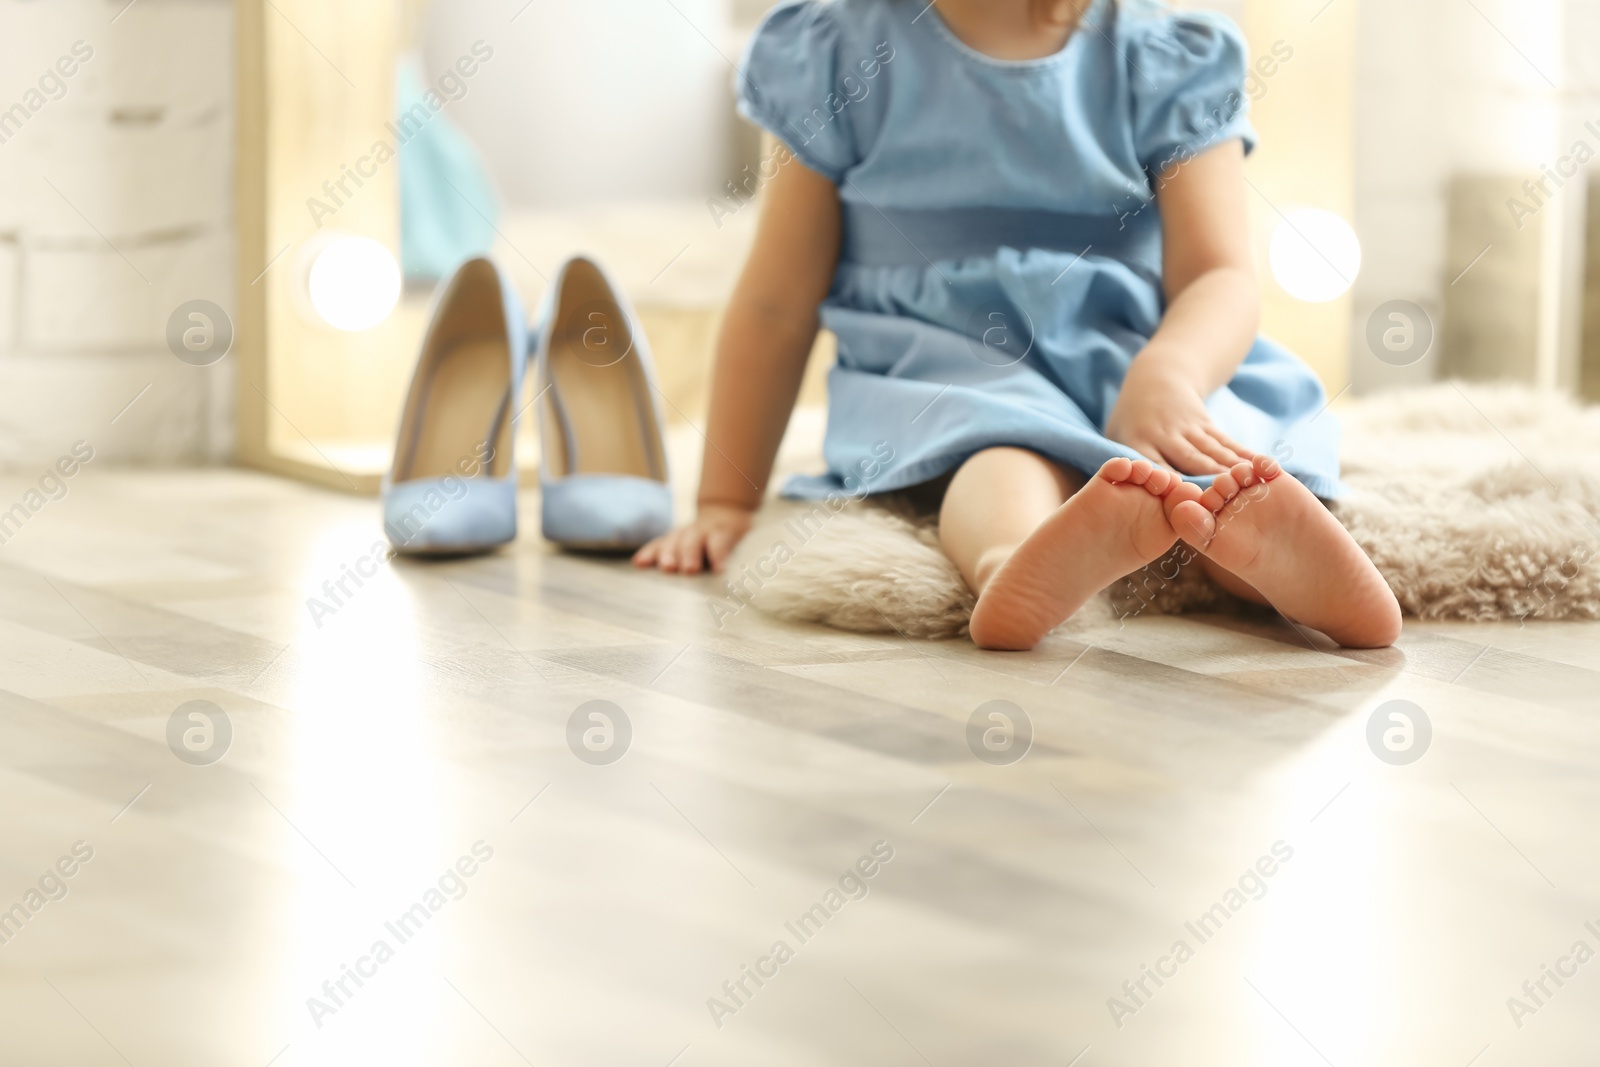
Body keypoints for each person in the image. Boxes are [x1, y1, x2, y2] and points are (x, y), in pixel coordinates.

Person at [633, 0, 1401, 651]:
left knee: (1212, 458)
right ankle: (1014, 562)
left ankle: (1261, 564)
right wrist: (725, 501)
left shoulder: (1164, 52)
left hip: (1128, 349)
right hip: (948, 359)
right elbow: (775, 303)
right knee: (998, 450)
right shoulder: (838, 49)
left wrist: (1169, 375)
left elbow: (1219, 276)